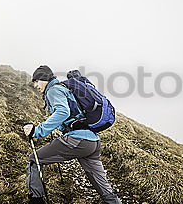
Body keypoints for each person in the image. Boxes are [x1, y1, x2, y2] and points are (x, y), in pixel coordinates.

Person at [23, 65, 122, 204]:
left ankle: (36, 200)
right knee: (102, 184)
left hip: (77, 140)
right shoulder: (64, 89)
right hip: (92, 142)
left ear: (44, 79)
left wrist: (37, 130)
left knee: (34, 160)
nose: (35, 85)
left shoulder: (53, 90)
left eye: (36, 81)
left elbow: (63, 112)